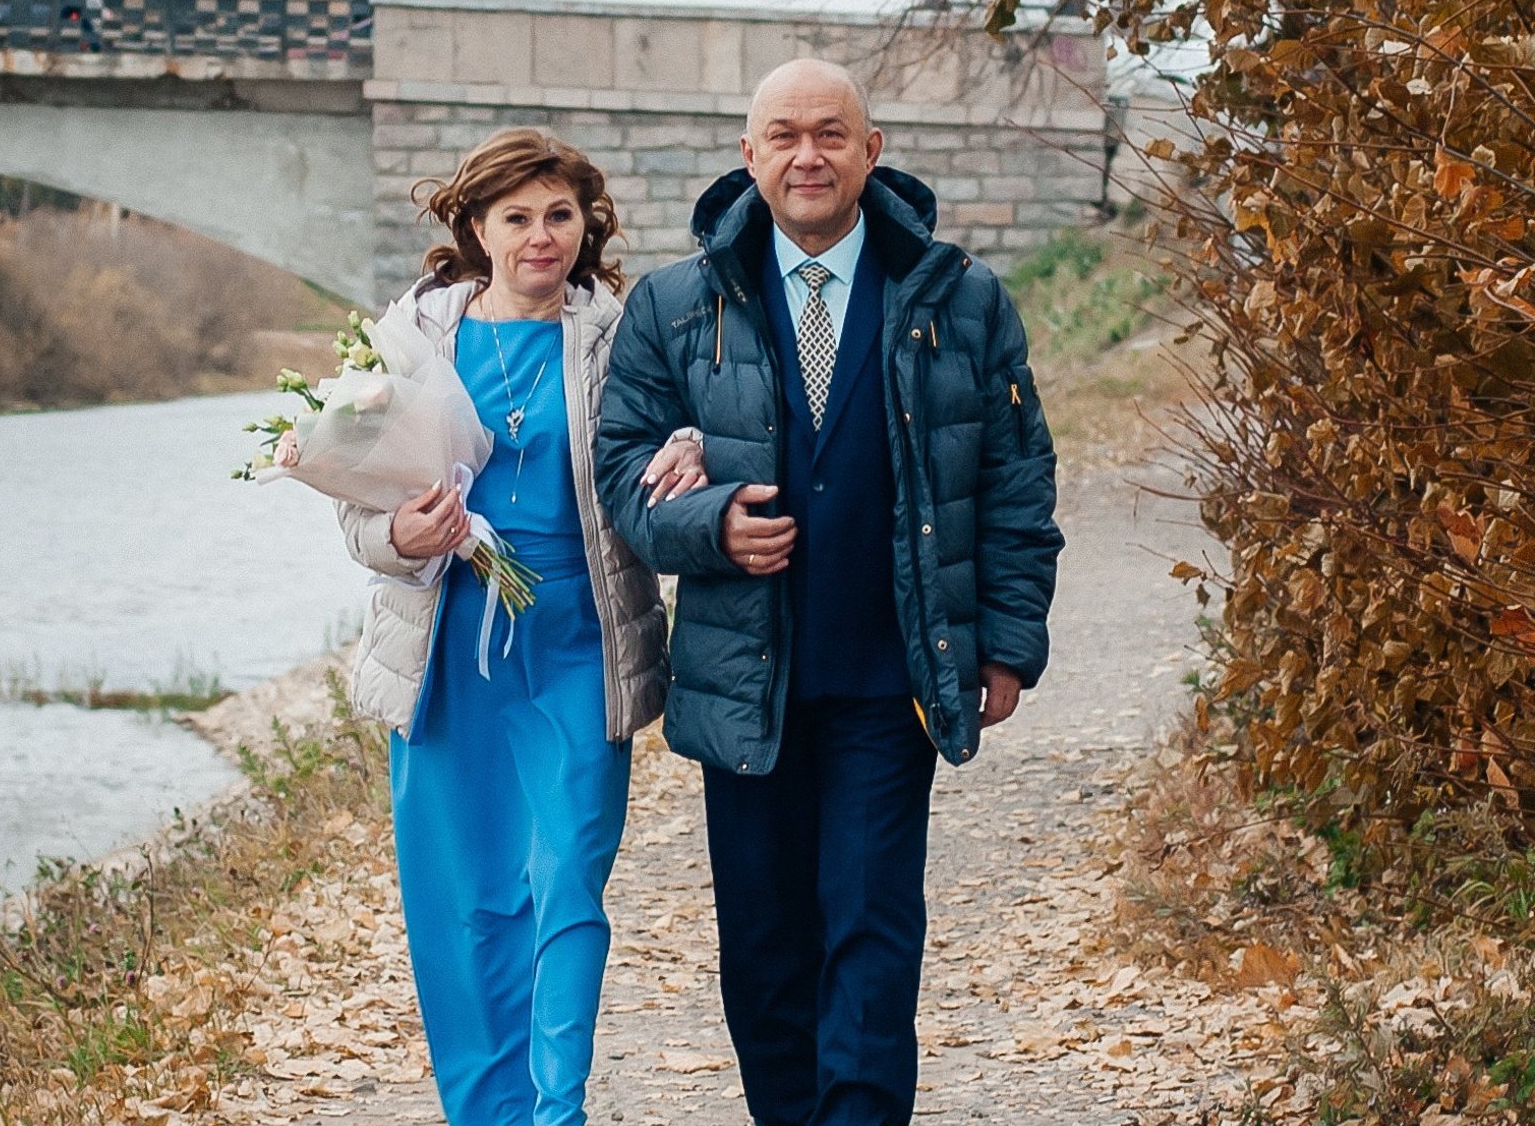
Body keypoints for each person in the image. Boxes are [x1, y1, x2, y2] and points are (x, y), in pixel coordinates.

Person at [595, 58, 1063, 1126]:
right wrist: (706, 526)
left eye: (831, 134)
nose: (808, 155)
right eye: (784, 136)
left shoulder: (959, 295)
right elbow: (620, 476)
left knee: (871, 931)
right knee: (764, 952)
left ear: (871, 151)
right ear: (749, 154)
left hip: (891, 675)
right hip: (741, 678)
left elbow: (1017, 480)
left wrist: (1007, 640)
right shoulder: (676, 304)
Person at [278, 128, 704, 1126]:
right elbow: (358, 514)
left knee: (567, 885)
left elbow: (683, 425)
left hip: (577, 643)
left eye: (560, 215)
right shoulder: (409, 344)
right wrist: (398, 529)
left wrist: (688, 446)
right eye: (518, 217)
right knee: (464, 907)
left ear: (583, 224)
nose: (542, 237)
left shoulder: (620, 331)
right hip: (451, 648)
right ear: (477, 227)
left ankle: (559, 1112)